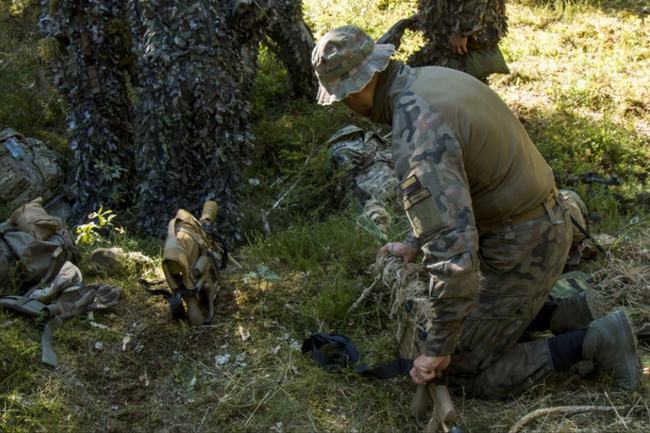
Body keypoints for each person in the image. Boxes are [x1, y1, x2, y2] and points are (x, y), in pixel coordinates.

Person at [311, 25, 641, 399]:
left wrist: (438, 349)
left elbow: (454, 258)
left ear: (356, 87)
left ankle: (596, 340)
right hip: (539, 223)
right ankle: (563, 313)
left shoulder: (418, 132)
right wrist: (412, 242)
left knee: (460, 370)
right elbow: (454, 195)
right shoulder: (428, 79)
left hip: (524, 244)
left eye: (341, 97)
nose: (344, 106)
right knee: (470, 330)